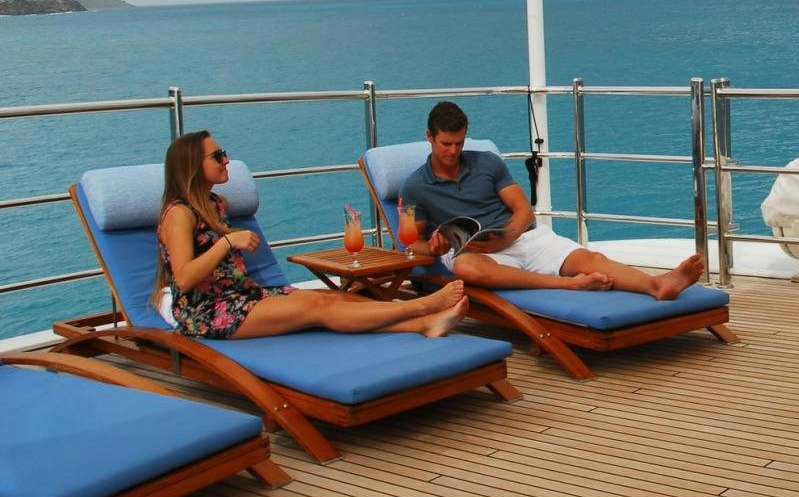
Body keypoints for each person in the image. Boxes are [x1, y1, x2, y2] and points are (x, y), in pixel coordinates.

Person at [154, 130, 469, 339]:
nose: (226, 160)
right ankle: (424, 306)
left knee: (333, 297)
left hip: (243, 296)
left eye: (224, 153)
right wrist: (227, 242)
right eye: (217, 155)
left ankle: (425, 324)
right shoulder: (179, 213)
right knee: (318, 309)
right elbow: (183, 279)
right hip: (207, 312)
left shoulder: (215, 203)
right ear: (194, 165)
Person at [405, 101, 705, 298]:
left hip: (518, 238)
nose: (453, 151)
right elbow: (410, 242)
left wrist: (508, 235)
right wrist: (433, 246)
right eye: (446, 143)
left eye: (459, 142)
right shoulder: (415, 185)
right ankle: (568, 284)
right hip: (474, 253)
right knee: (467, 269)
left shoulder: (487, 163)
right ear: (429, 136)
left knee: (591, 259)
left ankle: (656, 284)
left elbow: (523, 209)